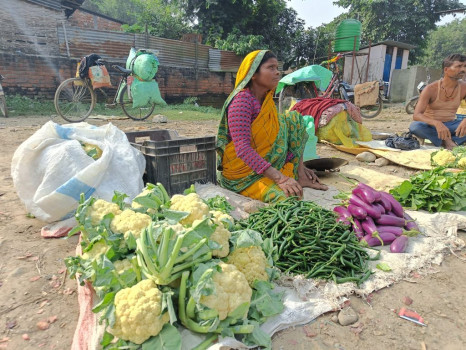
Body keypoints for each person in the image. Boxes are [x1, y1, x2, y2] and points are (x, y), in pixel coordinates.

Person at [216, 50, 327, 203]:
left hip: (262, 164)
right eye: (271, 68)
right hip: (242, 174)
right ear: (253, 74)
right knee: (286, 197)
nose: (277, 72)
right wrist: (280, 178)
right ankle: (273, 179)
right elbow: (242, 149)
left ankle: (301, 175)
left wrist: (297, 168)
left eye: (277, 68)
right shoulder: (242, 101)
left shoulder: (265, 99)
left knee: (295, 120)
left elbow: (275, 134)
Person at [409, 53, 466, 149]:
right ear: (446, 70)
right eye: (459, 66)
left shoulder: (464, 87)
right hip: (431, 126)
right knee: (415, 127)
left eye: (464, 66)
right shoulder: (431, 89)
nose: (463, 69)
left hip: (451, 125)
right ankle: (448, 141)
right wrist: (437, 123)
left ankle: (448, 141)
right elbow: (417, 115)